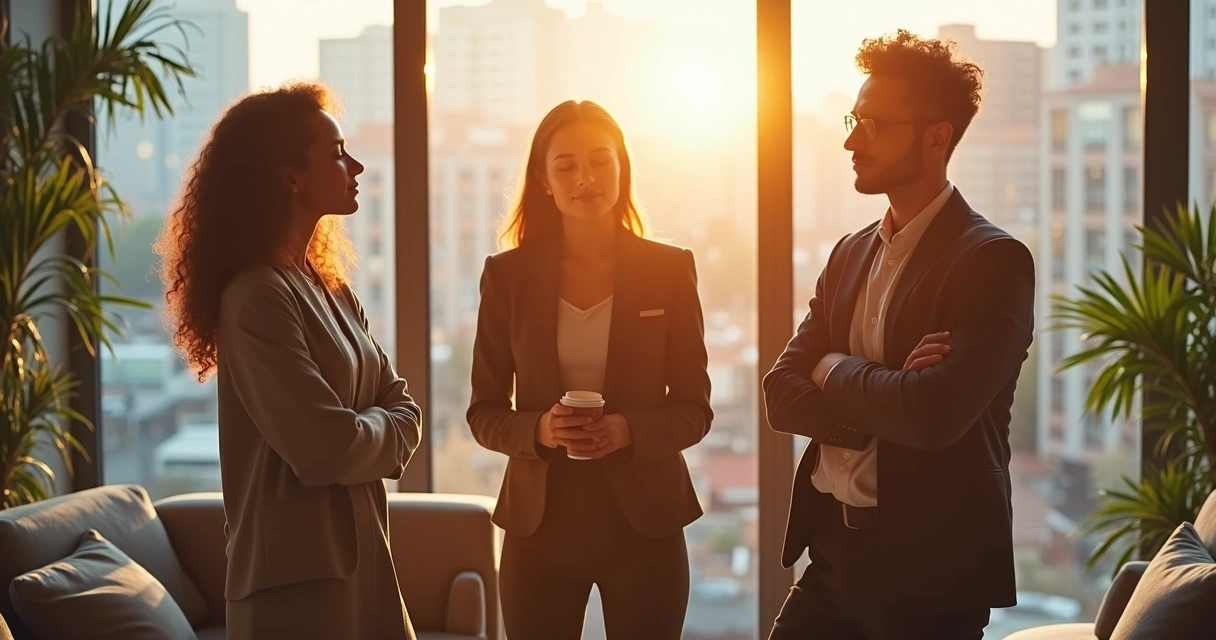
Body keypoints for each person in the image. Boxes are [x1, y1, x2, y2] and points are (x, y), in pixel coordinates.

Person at [764, 30, 1034, 639]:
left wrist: (833, 368)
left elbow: (935, 415)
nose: (851, 140)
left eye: (874, 124)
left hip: (932, 578)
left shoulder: (993, 261)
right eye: (853, 119)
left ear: (937, 136)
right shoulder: (850, 253)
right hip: (831, 557)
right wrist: (888, 399)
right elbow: (779, 392)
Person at [157, 82, 422, 640]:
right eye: (336, 153)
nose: (356, 165)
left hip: (364, 559)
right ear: (289, 176)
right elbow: (325, 450)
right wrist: (386, 430)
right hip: (296, 587)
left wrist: (370, 429)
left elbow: (404, 404)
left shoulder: (332, 290)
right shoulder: (256, 297)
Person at [466, 100, 713, 639]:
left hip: (645, 525)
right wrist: (539, 428)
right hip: (540, 528)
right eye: (566, 166)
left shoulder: (669, 270)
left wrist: (629, 429)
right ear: (544, 180)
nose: (586, 178)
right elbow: (483, 412)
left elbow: (695, 409)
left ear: (623, 168)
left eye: (601, 161)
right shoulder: (506, 277)